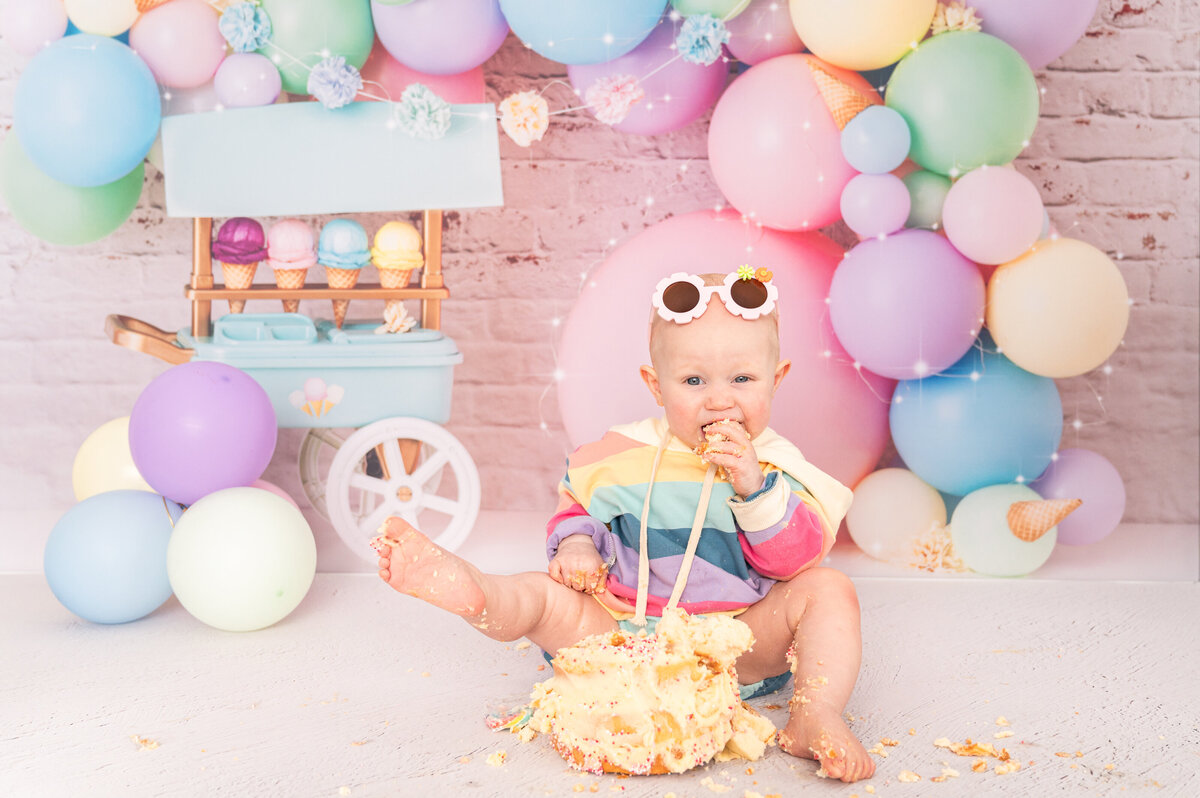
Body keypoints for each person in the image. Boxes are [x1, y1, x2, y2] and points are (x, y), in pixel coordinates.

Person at [376, 269, 875, 783]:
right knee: (541, 594)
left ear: (778, 378)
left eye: (743, 379)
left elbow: (793, 561)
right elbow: (577, 507)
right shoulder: (622, 453)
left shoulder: (775, 465)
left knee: (828, 588)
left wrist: (752, 486)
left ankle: (815, 712)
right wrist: (575, 546)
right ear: (656, 387)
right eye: (694, 381)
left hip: (735, 642)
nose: (720, 399)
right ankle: (479, 594)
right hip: (618, 635)